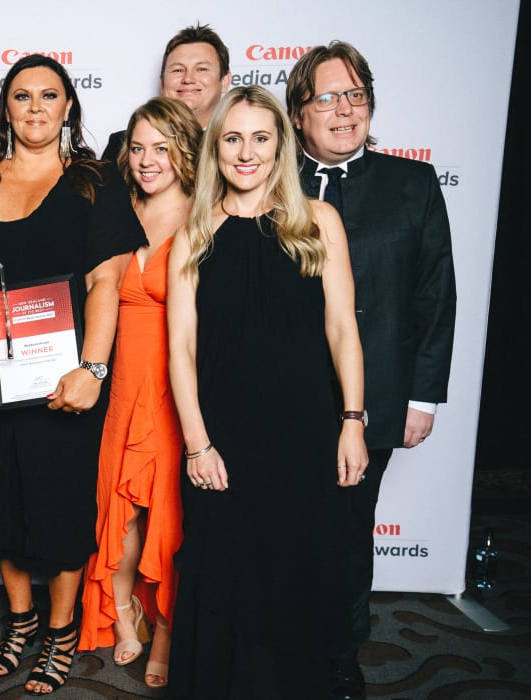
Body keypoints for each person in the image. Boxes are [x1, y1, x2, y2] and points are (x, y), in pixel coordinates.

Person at [0, 54, 146, 695]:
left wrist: (93, 369)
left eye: (50, 95)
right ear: (6, 109)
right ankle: (20, 621)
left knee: (59, 506)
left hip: (62, 381)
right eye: (23, 96)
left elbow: (108, 279)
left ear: (69, 106)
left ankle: (61, 628)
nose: (37, 107)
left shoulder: (94, 182)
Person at [164, 85, 369, 698]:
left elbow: (342, 328)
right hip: (223, 442)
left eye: (261, 137)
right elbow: (179, 349)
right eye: (232, 138)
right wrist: (198, 445)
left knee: (298, 575)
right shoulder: (193, 235)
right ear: (216, 149)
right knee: (225, 580)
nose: (246, 152)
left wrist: (353, 420)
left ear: (281, 144)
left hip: (306, 438)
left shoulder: (317, 221)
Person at [286, 41, 456, 700]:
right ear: (299, 112)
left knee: (349, 532)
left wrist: (424, 398)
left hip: (379, 392)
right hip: (285, 398)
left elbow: (434, 295)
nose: (344, 109)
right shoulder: (269, 181)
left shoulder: (411, 184)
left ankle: (340, 652)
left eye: (355, 95)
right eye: (327, 96)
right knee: (282, 527)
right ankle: (278, 642)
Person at [78, 96, 202, 691]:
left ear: (185, 151)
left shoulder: (209, 217)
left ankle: (171, 630)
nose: (148, 160)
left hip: (179, 390)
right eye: (139, 147)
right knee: (122, 517)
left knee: (173, 522)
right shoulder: (113, 207)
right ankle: (123, 612)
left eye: (162, 148)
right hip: (120, 387)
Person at [102, 23, 231, 161]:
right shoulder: (122, 145)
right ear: (162, 82)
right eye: (178, 70)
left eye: (201, 69)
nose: (188, 79)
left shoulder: (237, 146)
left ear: (225, 81)